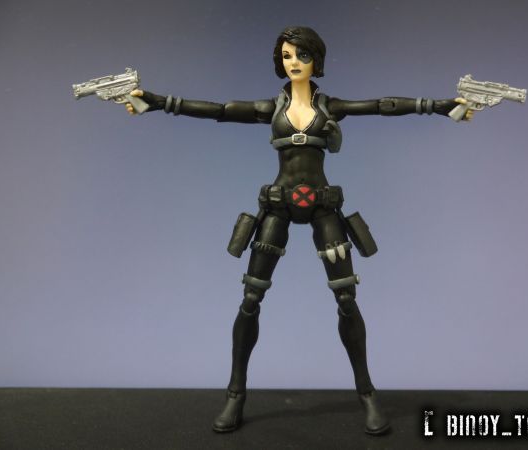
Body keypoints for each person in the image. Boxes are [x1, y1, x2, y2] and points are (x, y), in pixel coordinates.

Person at [126, 26, 473, 436]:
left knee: (347, 299)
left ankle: (367, 394)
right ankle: (235, 394)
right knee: (251, 298)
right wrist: (157, 102)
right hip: (278, 205)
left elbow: (383, 105)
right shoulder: (269, 108)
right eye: (287, 55)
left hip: (324, 206)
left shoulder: (331, 106)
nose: (294, 62)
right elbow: (219, 110)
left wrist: (440, 106)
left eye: (302, 55)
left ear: (316, 60)